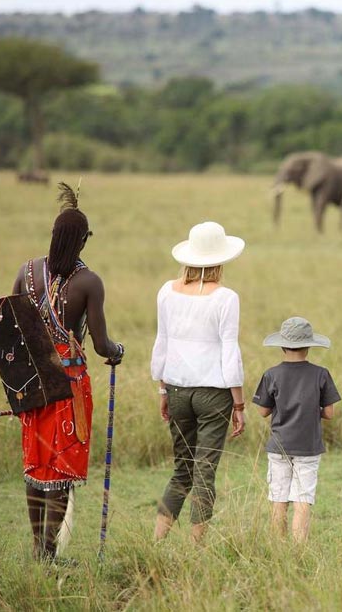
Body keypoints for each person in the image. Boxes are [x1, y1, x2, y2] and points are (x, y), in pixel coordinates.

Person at [9, 183, 124, 561]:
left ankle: (39, 548)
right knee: (61, 467)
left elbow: (11, 330)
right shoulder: (89, 282)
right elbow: (101, 344)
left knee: (37, 465)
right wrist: (117, 352)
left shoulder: (26, 271)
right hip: (69, 386)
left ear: (55, 235)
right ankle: (49, 553)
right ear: (83, 241)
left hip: (31, 382)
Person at [151, 221, 246, 543]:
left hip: (176, 388)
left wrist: (162, 389)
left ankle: (157, 541)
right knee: (205, 470)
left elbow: (161, 342)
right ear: (220, 260)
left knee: (182, 469)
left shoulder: (167, 290)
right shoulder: (226, 297)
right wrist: (239, 402)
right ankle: (197, 548)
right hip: (214, 393)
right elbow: (229, 349)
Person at [252, 317, 341, 543]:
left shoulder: (271, 374)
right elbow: (329, 413)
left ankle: (278, 549)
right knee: (303, 498)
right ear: (309, 346)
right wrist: (313, 409)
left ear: (282, 345)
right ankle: (299, 549)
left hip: (279, 445)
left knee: (278, 498)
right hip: (308, 447)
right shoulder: (321, 374)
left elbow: (263, 411)